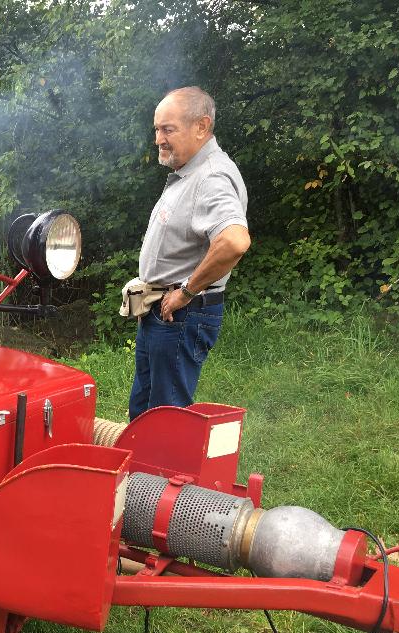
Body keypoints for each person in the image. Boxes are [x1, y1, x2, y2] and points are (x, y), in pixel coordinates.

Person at [127, 86, 251, 420]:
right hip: (161, 311)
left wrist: (185, 292)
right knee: (143, 411)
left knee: (166, 416)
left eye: (168, 129)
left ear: (201, 126)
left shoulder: (212, 176)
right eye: (157, 129)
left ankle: (165, 458)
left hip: (181, 315)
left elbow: (234, 241)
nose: (159, 139)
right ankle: (141, 456)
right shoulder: (190, 173)